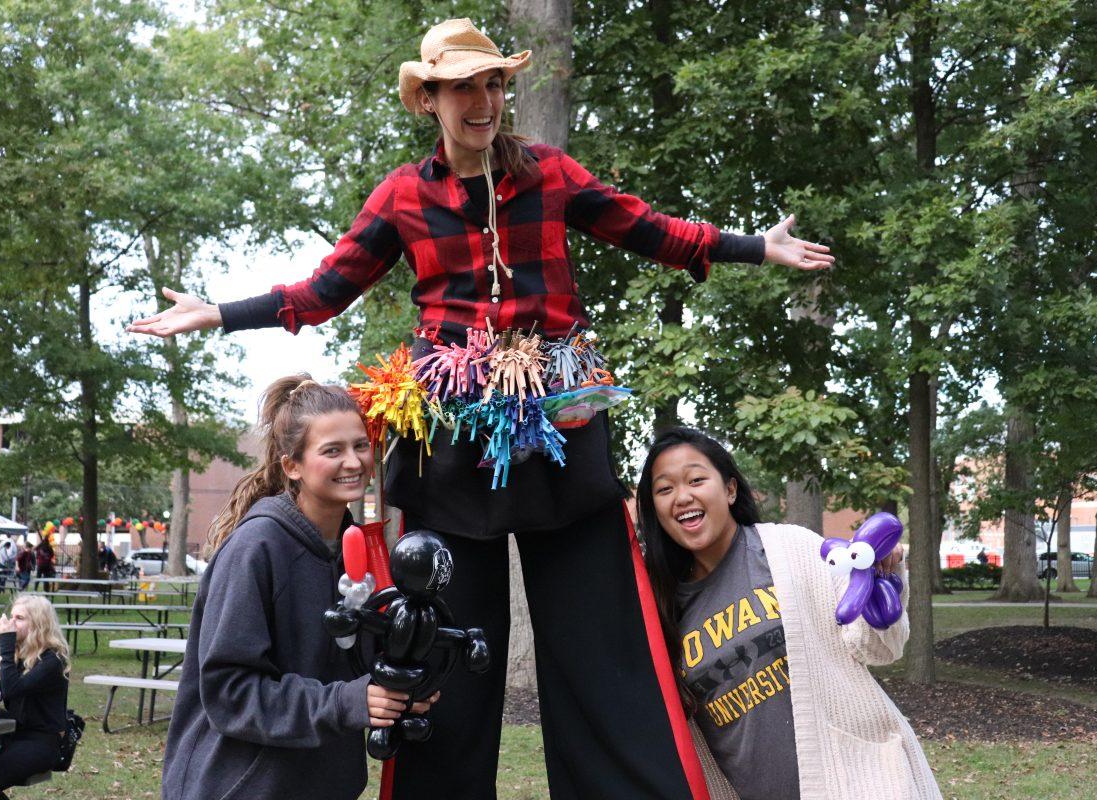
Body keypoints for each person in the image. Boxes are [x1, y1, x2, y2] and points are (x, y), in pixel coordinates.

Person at [131, 18, 832, 800]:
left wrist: (753, 247)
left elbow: (651, 230)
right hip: (452, 446)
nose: (485, 100)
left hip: (560, 432)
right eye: (465, 86)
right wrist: (221, 312)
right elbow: (322, 292)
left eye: (495, 83)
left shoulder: (551, 175)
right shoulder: (404, 194)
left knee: (602, 649)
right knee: (443, 648)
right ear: (429, 98)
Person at [162, 376, 437, 800]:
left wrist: (398, 687)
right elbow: (229, 692)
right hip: (238, 787)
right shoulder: (256, 548)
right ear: (292, 465)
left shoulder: (360, 552)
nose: (354, 461)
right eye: (332, 450)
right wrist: (347, 702)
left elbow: (351, 668)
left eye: (360, 445)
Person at [636, 428, 942, 800]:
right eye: (664, 489)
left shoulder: (790, 548)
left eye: (696, 480)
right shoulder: (664, 608)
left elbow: (879, 649)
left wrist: (884, 582)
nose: (682, 496)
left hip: (857, 783)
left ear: (730, 489)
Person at [0, 595, 70, 800]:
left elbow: (13, 690)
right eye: (11, 617)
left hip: (40, 742)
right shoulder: (16, 656)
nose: (11, 623)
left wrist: (7, 645)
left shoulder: (53, 660)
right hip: (8, 735)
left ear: (38, 624)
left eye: (19, 618)